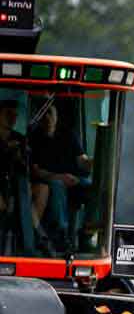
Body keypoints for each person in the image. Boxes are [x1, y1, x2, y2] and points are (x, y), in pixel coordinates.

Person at [30, 101, 91, 251]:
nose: (47, 118)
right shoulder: (35, 138)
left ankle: (89, 234)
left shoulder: (69, 134)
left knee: (93, 185)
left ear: (57, 116)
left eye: (50, 113)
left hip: (74, 179)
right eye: (44, 114)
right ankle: (61, 235)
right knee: (57, 186)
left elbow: (82, 160)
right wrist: (58, 177)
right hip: (51, 179)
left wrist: (94, 161)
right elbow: (36, 171)